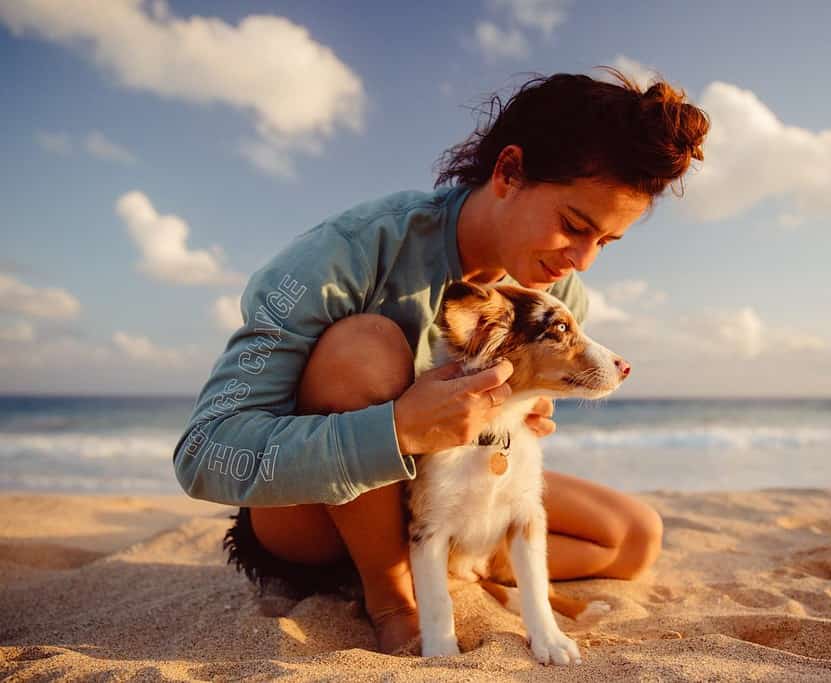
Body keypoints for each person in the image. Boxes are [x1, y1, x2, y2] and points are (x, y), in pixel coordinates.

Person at [172, 65, 710, 654]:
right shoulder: (348, 253)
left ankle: (468, 568)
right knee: (363, 348)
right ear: (508, 172)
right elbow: (205, 454)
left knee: (634, 536)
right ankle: (391, 598)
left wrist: (523, 410)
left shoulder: (558, 293)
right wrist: (400, 429)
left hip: (446, 493)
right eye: (573, 226)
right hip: (314, 519)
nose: (582, 261)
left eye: (603, 242)